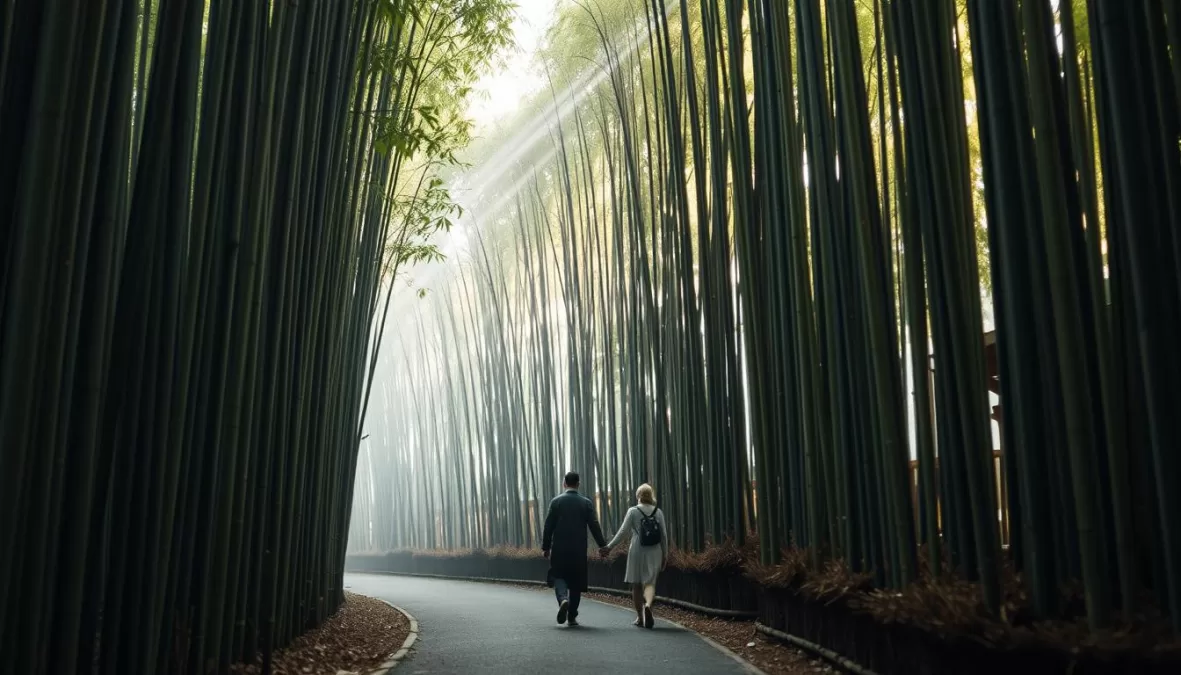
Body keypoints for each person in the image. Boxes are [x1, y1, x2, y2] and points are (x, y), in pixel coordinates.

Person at [542, 471, 608, 627]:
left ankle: (563, 599)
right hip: (578, 549)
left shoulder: (556, 502)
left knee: (559, 577)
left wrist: (546, 547)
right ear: (578, 484)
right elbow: (594, 525)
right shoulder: (585, 503)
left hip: (559, 548)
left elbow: (548, 526)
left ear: (564, 483)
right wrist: (602, 545)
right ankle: (571, 616)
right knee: (576, 582)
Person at [600, 483, 668, 629]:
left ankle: (639, 617)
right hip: (654, 550)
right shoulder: (658, 512)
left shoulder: (633, 511)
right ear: (651, 496)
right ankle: (648, 605)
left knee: (636, 585)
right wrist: (665, 555)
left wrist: (609, 547)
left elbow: (622, 532)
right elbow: (664, 536)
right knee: (649, 583)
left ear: (638, 496)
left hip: (637, 548)